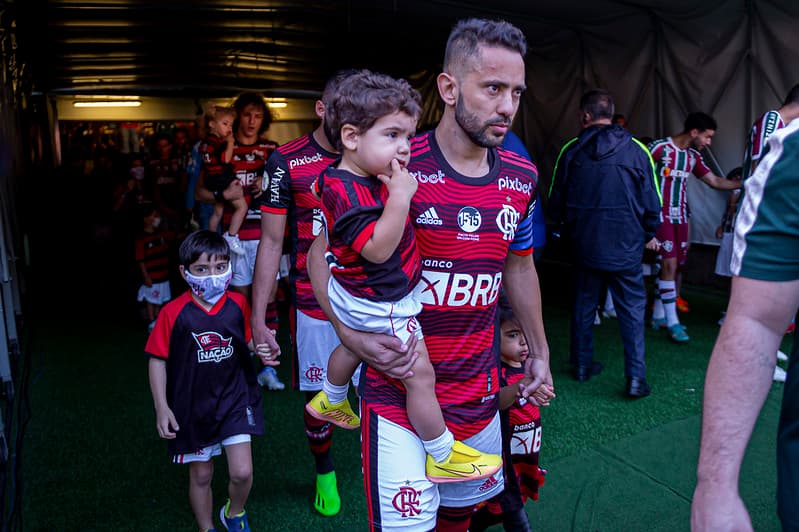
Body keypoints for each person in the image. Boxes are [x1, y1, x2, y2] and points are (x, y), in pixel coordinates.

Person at [307, 18, 555, 532]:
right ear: (448, 88)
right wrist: (349, 332)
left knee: (459, 520)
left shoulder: (521, 175)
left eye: (515, 92)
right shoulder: (393, 166)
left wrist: (541, 351)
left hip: (479, 395)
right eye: (492, 88)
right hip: (397, 396)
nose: (507, 106)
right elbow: (316, 256)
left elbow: (520, 264)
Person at [299, 68, 502, 485]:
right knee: (420, 376)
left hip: (356, 293)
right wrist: (400, 196)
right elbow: (377, 248)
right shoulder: (351, 191)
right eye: (392, 136)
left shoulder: (346, 176)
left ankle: (330, 398)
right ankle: (441, 453)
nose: (405, 148)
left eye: (408, 137)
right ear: (352, 137)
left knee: (352, 346)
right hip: (381, 300)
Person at [690, 118, 799, 532]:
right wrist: (714, 486)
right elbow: (757, 319)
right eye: (707, 136)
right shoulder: (792, 150)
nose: (709, 141)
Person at [251, 70, 351, 516]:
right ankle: (325, 470)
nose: (352, 122)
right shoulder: (285, 162)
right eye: (342, 111)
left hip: (369, 298)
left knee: (387, 388)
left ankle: (384, 459)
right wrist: (258, 319)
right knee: (319, 394)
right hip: (313, 301)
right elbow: (271, 242)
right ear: (321, 108)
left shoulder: (371, 152)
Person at [145, 230, 269, 532]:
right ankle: (206, 527)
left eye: (219, 267)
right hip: (192, 407)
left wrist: (264, 347)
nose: (212, 276)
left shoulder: (238, 304)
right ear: (184, 272)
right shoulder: (173, 313)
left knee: (242, 472)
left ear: (229, 266)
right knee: (201, 475)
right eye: (201, 269)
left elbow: (249, 342)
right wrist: (162, 407)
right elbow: (157, 359)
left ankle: (234, 512)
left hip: (235, 400)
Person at [549, 88, 661, 396]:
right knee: (632, 311)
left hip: (584, 245)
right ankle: (636, 378)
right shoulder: (638, 150)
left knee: (584, 305)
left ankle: (582, 365)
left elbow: (555, 199)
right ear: (611, 115)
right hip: (626, 246)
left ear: (585, 116)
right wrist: (646, 234)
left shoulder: (571, 150)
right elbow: (653, 202)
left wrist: (561, 230)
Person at [647, 112, 741, 343]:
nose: (708, 142)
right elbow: (637, 176)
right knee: (668, 264)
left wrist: (748, 181)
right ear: (694, 132)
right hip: (661, 216)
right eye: (707, 137)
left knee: (674, 265)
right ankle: (673, 322)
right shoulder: (658, 148)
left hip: (682, 217)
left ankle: (659, 315)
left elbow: (716, 181)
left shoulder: (692, 157)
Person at [469, 296, 547, 532]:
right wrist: (519, 387)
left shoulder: (529, 367)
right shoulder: (495, 372)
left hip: (524, 451)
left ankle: (470, 525)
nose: (523, 342)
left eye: (525, 334)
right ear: (494, 337)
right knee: (510, 506)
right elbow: (497, 402)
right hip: (503, 459)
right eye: (513, 335)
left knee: (506, 505)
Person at [200, 104, 248, 255]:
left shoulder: (205, 142)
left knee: (218, 211)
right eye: (225, 124)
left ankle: (211, 241)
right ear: (212, 124)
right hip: (220, 178)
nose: (229, 129)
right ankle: (231, 236)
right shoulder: (218, 143)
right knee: (242, 207)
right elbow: (226, 160)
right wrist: (231, 143)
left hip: (210, 179)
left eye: (231, 125)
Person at [135, 202, 174, 331]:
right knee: (151, 299)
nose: (156, 218)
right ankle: (151, 321)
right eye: (153, 215)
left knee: (160, 299)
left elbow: (173, 236)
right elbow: (140, 260)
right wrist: (146, 277)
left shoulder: (161, 233)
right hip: (152, 276)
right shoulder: (141, 238)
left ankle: (157, 320)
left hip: (163, 275)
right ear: (145, 219)